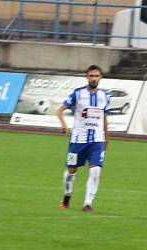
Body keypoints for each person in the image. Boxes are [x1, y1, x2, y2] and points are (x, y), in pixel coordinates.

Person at [57, 65, 110, 212]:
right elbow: (60, 110)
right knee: (71, 172)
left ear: (100, 78)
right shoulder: (78, 93)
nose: (94, 78)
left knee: (95, 171)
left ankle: (87, 203)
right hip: (78, 140)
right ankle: (67, 195)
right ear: (86, 77)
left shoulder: (105, 96)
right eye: (91, 76)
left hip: (97, 141)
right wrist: (64, 125)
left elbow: (104, 118)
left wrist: (107, 138)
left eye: (96, 76)